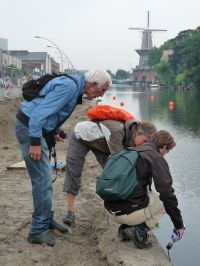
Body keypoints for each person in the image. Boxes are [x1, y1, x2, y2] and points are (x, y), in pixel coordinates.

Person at [15, 69, 112, 246]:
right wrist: (35, 142)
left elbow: (48, 111)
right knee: (43, 181)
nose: (102, 94)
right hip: (30, 128)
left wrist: (53, 132)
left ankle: (45, 219)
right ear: (92, 84)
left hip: (34, 127)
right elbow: (37, 115)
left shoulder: (73, 87)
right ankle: (37, 230)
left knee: (45, 180)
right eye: (102, 90)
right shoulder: (69, 87)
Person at [63, 119, 157, 227]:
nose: (144, 145)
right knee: (74, 172)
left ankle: (124, 210)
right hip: (81, 136)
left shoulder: (135, 135)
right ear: (137, 133)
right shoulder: (117, 131)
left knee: (115, 178)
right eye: (144, 141)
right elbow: (119, 165)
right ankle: (70, 212)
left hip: (103, 143)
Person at [104, 130, 185, 249]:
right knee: (163, 201)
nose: (166, 154)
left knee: (145, 193)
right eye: (168, 151)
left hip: (110, 210)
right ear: (164, 147)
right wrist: (179, 225)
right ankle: (138, 229)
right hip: (126, 213)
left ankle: (125, 229)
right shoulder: (156, 158)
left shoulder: (131, 150)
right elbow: (167, 193)